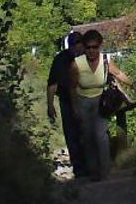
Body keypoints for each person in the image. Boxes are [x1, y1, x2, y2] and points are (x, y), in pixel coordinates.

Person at [69, 28, 135, 180]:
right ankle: (93, 171)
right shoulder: (76, 64)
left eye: (95, 47)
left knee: (101, 136)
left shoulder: (105, 60)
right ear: (84, 48)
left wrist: (135, 87)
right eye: (88, 47)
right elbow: (72, 88)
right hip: (83, 101)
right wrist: (74, 108)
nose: (91, 51)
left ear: (99, 46)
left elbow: (118, 74)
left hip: (101, 100)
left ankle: (105, 172)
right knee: (88, 136)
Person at [46, 31, 86, 178]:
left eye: (80, 42)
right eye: (75, 43)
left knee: (87, 133)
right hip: (66, 101)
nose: (78, 46)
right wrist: (50, 105)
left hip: (86, 99)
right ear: (70, 44)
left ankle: (90, 166)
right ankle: (79, 170)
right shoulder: (60, 59)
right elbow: (52, 84)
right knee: (72, 135)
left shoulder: (88, 57)